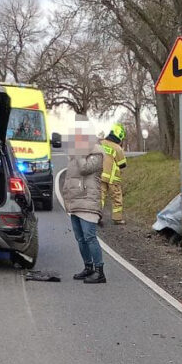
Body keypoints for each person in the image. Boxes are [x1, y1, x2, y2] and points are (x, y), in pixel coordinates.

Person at [64, 118, 106, 284]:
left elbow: (85, 169)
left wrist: (80, 152)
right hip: (75, 202)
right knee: (80, 238)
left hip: (88, 201)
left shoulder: (97, 152)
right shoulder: (75, 153)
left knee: (89, 237)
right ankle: (88, 267)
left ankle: (99, 271)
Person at [100, 123, 127, 224]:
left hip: (100, 176)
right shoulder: (117, 148)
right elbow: (122, 164)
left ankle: (96, 216)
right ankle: (117, 218)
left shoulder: (101, 143)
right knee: (117, 198)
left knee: (100, 197)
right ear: (119, 137)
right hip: (113, 179)